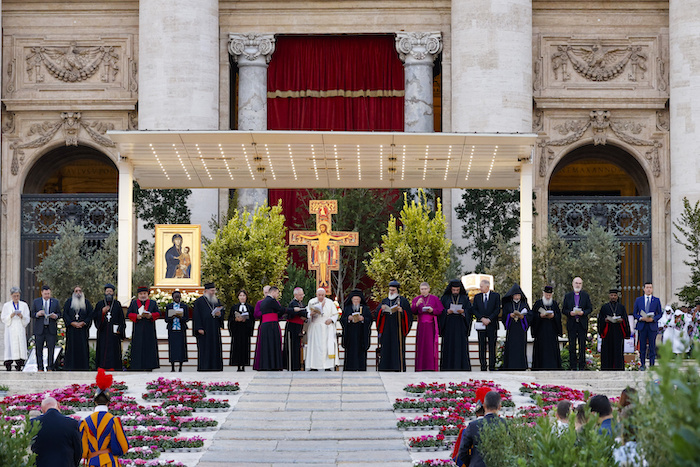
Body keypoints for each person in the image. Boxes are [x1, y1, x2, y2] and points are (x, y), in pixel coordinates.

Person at [80, 369, 130, 466]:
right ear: (108, 402)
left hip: (92, 463)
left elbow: (83, 451)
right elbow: (123, 446)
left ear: (94, 401)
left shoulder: (85, 422)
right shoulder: (114, 420)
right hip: (110, 462)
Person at [255, 286, 303, 371]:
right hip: (272, 325)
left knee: (266, 346)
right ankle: (273, 365)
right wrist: (293, 310)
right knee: (273, 344)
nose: (277, 295)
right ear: (273, 292)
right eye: (277, 293)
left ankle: (266, 365)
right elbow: (281, 309)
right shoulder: (272, 301)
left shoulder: (264, 302)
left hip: (265, 325)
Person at [457, 390, 506, 466]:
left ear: (484, 405)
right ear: (499, 407)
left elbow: (462, 452)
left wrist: (472, 463)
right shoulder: (505, 424)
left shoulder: (473, 425)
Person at [31, 396, 82, 467]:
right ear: (58, 405)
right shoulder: (71, 423)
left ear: (42, 410)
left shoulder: (33, 423)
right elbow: (78, 450)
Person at [374, 280, 412, 371]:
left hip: (397, 329)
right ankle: (385, 368)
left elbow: (409, 316)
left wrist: (402, 312)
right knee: (386, 349)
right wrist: (381, 310)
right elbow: (377, 314)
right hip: (386, 329)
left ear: (397, 290)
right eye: (390, 290)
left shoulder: (403, 301)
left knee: (397, 350)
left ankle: (397, 368)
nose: (391, 292)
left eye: (393, 290)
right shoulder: (385, 301)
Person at [439, 279, 472, 371]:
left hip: (460, 326)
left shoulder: (464, 298)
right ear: (450, 289)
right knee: (448, 348)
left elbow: (469, 311)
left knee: (460, 347)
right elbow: (440, 311)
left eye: (457, 290)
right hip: (448, 327)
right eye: (453, 290)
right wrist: (446, 312)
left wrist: (463, 312)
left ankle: (462, 367)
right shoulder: (445, 298)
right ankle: (447, 368)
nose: (455, 292)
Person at [410, 282, 443, 371]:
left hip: (430, 326)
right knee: (421, 347)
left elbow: (440, 310)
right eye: (422, 289)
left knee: (430, 347)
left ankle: (430, 367)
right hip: (421, 326)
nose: (423, 291)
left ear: (429, 289)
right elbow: (412, 311)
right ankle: (420, 367)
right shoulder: (416, 299)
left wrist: (432, 310)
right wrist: (416, 305)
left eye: (425, 289)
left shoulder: (434, 298)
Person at [562, 277, 593, 371]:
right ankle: (573, 366)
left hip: (582, 323)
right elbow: (563, 309)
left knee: (582, 345)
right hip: (572, 323)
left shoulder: (585, 295)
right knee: (572, 346)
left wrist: (583, 313)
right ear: (573, 284)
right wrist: (569, 313)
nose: (578, 285)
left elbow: (590, 308)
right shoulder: (568, 296)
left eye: (579, 283)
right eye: (576, 283)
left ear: (582, 285)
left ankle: (582, 366)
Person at [127, 286, 160, 371]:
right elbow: (129, 314)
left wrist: (151, 315)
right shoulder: (134, 303)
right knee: (138, 348)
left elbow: (158, 313)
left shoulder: (152, 303)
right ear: (138, 295)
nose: (143, 296)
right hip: (138, 330)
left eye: (144, 293)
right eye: (141, 294)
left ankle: (150, 366)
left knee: (149, 348)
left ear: (147, 294)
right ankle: (137, 366)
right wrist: (136, 316)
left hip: (149, 330)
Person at [192, 282, 224, 371]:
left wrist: (219, 314)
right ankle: (204, 367)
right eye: (211, 291)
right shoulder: (199, 302)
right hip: (204, 330)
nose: (213, 292)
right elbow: (196, 316)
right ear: (206, 291)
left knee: (215, 348)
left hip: (214, 329)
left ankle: (216, 367)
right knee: (205, 349)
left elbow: (222, 313)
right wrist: (199, 327)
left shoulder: (216, 301)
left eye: (214, 291)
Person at [306, 288, 339, 371]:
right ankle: (314, 366)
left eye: (322, 295)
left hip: (326, 327)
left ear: (325, 295)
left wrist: (331, 320)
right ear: (316, 294)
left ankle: (327, 366)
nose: (321, 296)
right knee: (315, 347)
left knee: (326, 347)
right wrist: (311, 313)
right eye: (319, 295)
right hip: (315, 327)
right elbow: (307, 314)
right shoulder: (312, 302)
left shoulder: (330, 302)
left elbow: (335, 314)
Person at [93, 284, 125, 370]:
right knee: (102, 350)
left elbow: (122, 319)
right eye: (107, 291)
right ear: (105, 292)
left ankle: (114, 367)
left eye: (110, 291)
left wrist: (120, 329)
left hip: (114, 334)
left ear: (113, 293)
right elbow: (95, 316)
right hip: (103, 332)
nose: (109, 293)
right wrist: (102, 312)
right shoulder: (100, 304)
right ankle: (102, 367)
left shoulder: (117, 304)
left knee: (114, 351)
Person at [530, 285, 563, 370]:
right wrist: (540, 316)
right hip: (541, 333)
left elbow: (559, 317)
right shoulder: (538, 304)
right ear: (543, 293)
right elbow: (533, 317)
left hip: (552, 333)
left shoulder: (554, 304)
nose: (548, 296)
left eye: (549, 295)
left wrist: (553, 316)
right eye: (546, 294)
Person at [598, 289, 631, 371]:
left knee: (618, 351)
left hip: (618, 333)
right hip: (608, 333)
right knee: (607, 352)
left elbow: (625, 319)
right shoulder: (604, 307)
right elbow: (600, 320)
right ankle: (606, 368)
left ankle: (618, 368)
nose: (613, 297)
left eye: (615, 295)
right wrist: (605, 320)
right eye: (612, 295)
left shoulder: (621, 307)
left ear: (617, 296)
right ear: (609, 296)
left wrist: (621, 320)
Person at [472, 279, 501, 371]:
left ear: (487, 287)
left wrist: (489, 319)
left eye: (481, 286)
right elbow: (474, 309)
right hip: (481, 325)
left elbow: (497, 309)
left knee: (492, 346)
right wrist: (482, 318)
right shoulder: (477, 297)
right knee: (482, 346)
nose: (480, 288)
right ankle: (483, 366)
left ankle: (492, 366)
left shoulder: (495, 296)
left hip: (492, 324)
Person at [632, 282, 662, 369]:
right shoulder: (639, 300)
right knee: (642, 346)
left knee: (652, 346)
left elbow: (660, 313)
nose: (649, 289)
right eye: (647, 287)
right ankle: (642, 364)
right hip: (642, 325)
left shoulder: (656, 300)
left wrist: (653, 319)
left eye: (650, 287)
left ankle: (652, 365)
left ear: (652, 289)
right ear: (644, 289)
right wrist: (641, 318)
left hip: (652, 325)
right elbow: (635, 313)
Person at [31, 285, 61, 371]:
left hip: (50, 329)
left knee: (51, 349)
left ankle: (50, 367)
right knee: (38, 349)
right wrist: (38, 314)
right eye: (45, 294)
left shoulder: (55, 302)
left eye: (48, 294)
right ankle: (40, 367)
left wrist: (55, 316)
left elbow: (59, 313)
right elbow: (32, 314)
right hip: (40, 329)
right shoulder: (36, 302)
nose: (47, 295)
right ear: (42, 293)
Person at [340, 289, 372, 371]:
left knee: (361, 353)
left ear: (360, 300)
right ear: (351, 299)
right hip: (350, 335)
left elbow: (370, 319)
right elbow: (342, 320)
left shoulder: (365, 308)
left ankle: (361, 368)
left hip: (361, 334)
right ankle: (349, 368)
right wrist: (348, 318)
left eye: (357, 299)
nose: (356, 301)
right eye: (354, 299)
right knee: (350, 353)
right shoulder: (347, 309)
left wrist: (363, 319)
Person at [63, 286, 93, 371]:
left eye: (80, 291)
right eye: (76, 291)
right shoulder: (69, 302)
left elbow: (90, 315)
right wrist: (72, 323)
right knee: (71, 349)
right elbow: (65, 314)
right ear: (73, 293)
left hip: (83, 331)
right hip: (72, 331)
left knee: (83, 349)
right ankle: (70, 367)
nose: (78, 293)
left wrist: (84, 323)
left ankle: (83, 367)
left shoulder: (86, 303)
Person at [500, 284, 530, 370]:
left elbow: (530, 316)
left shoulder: (524, 304)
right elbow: (504, 316)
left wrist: (523, 317)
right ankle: (510, 366)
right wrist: (510, 315)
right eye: (516, 295)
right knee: (511, 348)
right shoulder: (508, 305)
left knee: (520, 348)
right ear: (512, 295)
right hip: (512, 330)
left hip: (520, 330)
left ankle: (521, 366)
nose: (517, 297)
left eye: (519, 295)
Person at [2, 287, 30, 371]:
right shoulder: (6, 305)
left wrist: (22, 316)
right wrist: (11, 316)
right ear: (11, 296)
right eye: (14, 296)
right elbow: (3, 318)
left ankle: (19, 364)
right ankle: (8, 363)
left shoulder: (24, 305)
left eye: (18, 296)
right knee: (10, 346)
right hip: (10, 329)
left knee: (20, 345)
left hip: (19, 328)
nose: (16, 298)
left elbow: (27, 318)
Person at [229, 289, 254, 371]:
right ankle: (238, 365)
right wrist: (236, 320)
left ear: (246, 297)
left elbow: (252, 320)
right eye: (240, 295)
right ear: (238, 297)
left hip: (245, 331)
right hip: (237, 331)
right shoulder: (234, 307)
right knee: (237, 348)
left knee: (245, 348)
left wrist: (245, 320)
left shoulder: (250, 307)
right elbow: (230, 319)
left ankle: (244, 365)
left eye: (244, 295)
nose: (242, 297)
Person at [284, 287, 308, 371]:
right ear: (295, 295)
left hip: (299, 327)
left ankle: (297, 365)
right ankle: (292, 365)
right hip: (293, 327)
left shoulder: (301, 303)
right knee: (292, 346)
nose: (302, 296)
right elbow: (298, 313)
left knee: (298, 346)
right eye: (301, 295)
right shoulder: (293, 303)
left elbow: (304, 313)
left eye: (302, 294)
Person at [165, 290, 189, 372]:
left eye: (179, 297)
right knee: (172, 348)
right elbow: (166, 319)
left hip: (181, 329)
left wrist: (180, 317)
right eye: (176, 297)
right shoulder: (169, 306)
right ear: (173, 298)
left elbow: (187, 318)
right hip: (172, 329)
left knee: (181, 348)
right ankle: (172, 366)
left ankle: (180, 366)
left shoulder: (184, 306)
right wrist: (171, 317)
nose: (177, 299)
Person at [252, 285, 271, 370]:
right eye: (265, 292)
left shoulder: (275, 302)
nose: (267, 294)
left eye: (268, 292)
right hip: (263, 325)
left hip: (272, 327)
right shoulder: (260, 303)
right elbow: (256, 314)